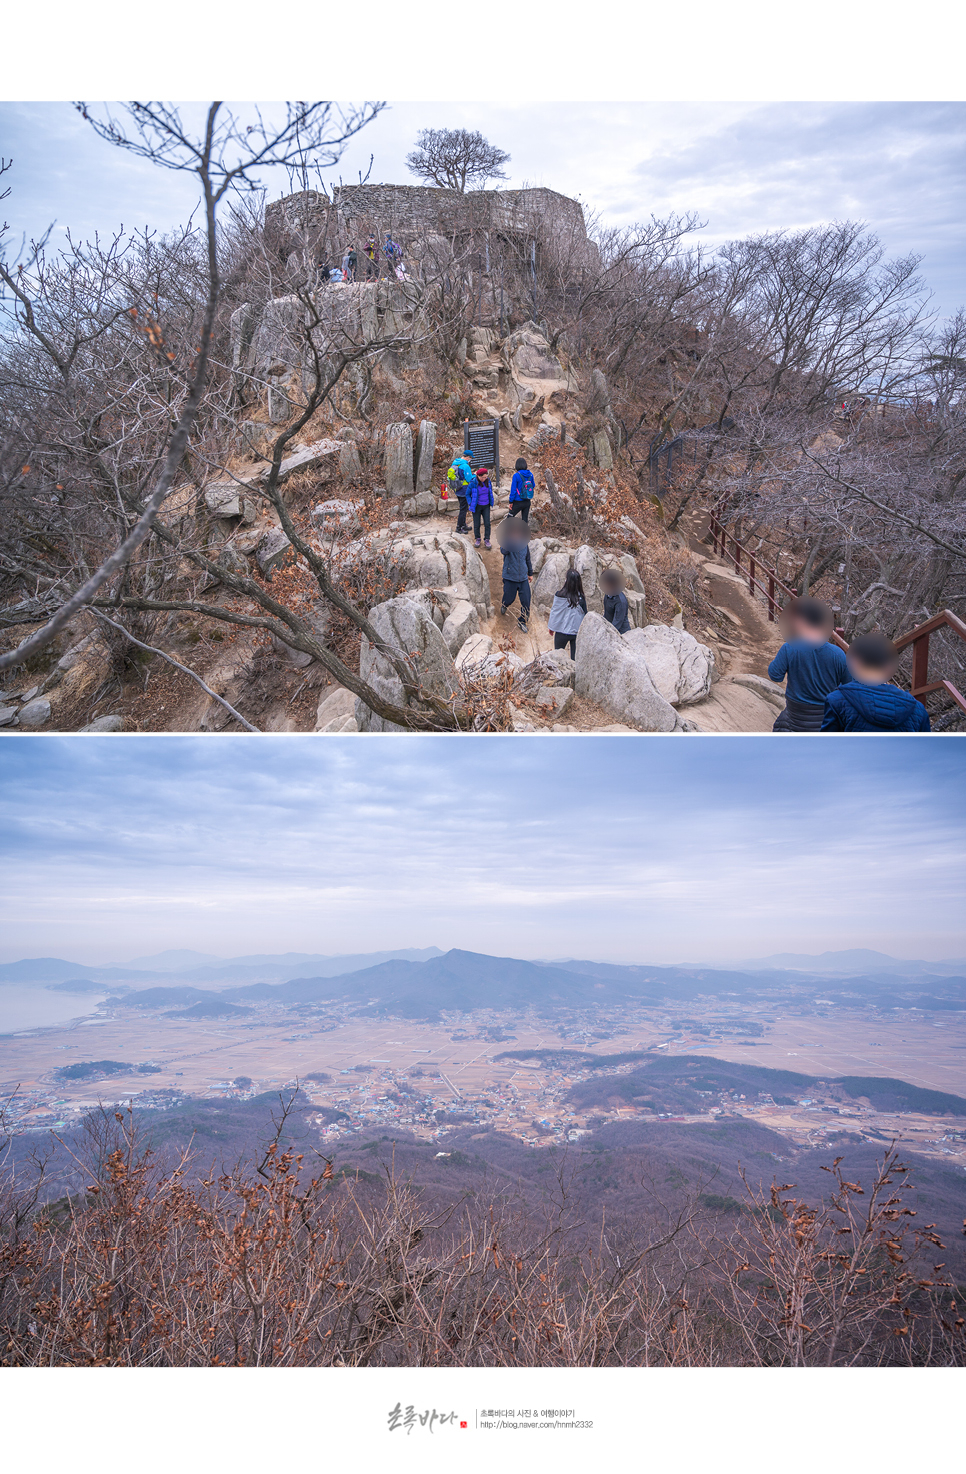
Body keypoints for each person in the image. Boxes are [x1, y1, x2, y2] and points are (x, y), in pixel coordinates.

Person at [767, 596, 850, 732]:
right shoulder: (838, 654)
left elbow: (775, 675)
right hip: (827, 719)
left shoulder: (789, 648)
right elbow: (849, 687)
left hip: (794, 719)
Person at [821, 633, 931, 732]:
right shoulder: (918, 710)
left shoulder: (836, 701)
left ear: (855, 664)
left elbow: (826, 747)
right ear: (889, 667)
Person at [500, 520, 533, 630]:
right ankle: (505, 604)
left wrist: (530, 573)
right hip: (510, 576)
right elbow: (503, 551)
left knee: (526, 601)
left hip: (523, 577)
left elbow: (527, 558)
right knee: (509, 598)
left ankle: (522, 621)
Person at [548, 569, 587, 659]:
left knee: (558, 657)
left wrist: (551, 627)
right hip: (576, 632)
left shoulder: (559, 595)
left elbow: (555, 612)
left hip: (561, 632)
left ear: (567, 581)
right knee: (575, 660)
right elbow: (585, 615)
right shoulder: (581, 598)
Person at [468, 466, 495, 548]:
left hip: (486, 505)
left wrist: (491, 501)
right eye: (483, 477)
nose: (485, 478)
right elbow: (467, 494)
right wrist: (470, 502)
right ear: (479, 476)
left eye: (486, 477)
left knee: (487, 523)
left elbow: (490, 492)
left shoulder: (488, 481)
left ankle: (487, 539)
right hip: (476, 506)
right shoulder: (473, 483)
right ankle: (478, 538)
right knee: (477, 524)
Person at [447, 456, 474, 534]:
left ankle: (463, 525)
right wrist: (474, 475)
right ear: (468, 457)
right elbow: (469, 479)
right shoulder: (465, 466)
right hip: (464, 490)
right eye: (470, 458)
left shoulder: (455, 463)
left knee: (463, 508)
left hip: (457, 489)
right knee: (463, 509)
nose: (470, 460)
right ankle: (459, 528)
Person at [601, 568, 631, 633]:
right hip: (610, 627)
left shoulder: (620, 601)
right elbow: (607, 614)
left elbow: (617, 622)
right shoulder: (608, 594)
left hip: (621, 633)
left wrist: (607, 633)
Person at [508, 457, 535, 522]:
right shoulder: (530, 475)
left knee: (509, 519)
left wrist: (511, 501)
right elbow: (533, 486)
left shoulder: (516, 475)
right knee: (525, 520)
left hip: (517, 501)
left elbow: (513, 490)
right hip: (527, 501)